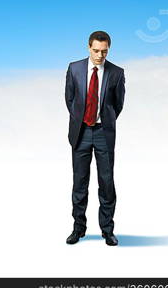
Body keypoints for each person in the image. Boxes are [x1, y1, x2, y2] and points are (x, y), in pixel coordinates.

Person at [64, 31, 125, 246]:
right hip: (80, 132)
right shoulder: (74, 69)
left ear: (109, 49)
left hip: (103, 133)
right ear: (89, 47)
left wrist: (104, 120)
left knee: (106, 183)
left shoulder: (117, 73)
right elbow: (70, 99)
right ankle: (78, 228)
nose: (100, 55)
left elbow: (117, 105)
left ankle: (107, 230)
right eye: (96, 51)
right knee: (79, 183)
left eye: (104, 51)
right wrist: (81, 119)